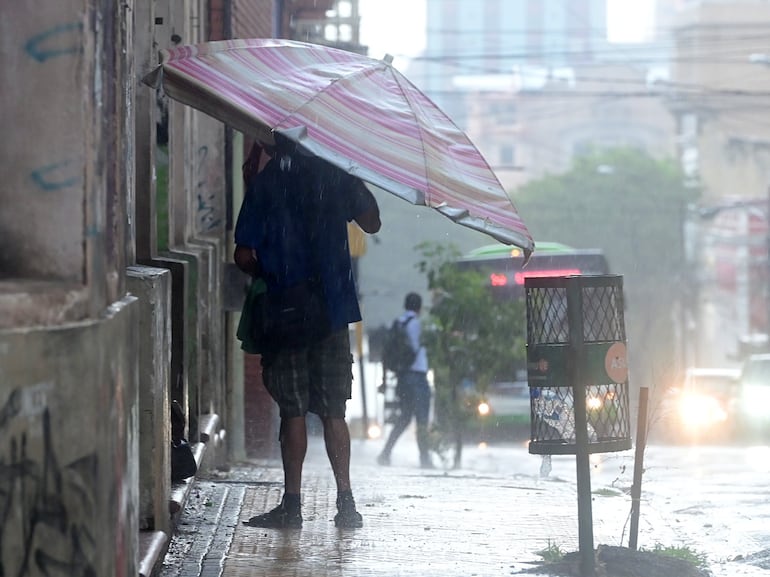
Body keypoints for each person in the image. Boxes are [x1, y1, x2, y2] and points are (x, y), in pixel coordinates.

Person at [234, 138, 381, 529]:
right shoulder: (335, 174)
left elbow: (243, 255)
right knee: (334, 410)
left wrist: (272, 273)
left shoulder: (267, 181)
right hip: (332, 311)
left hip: (286, 310)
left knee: (293, 410)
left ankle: (293, 504)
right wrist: (354, 170)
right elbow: (372, 222)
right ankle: (346, 503)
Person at [377, 292, 433, 469]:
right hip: (417, 377)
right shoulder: (418, 324)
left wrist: (385, 379)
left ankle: (385, 453)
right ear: (419, 307)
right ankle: (425, 459)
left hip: (403, 377)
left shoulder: (397, 323)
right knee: (422, 419)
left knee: (405, 417)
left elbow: (386, 353)